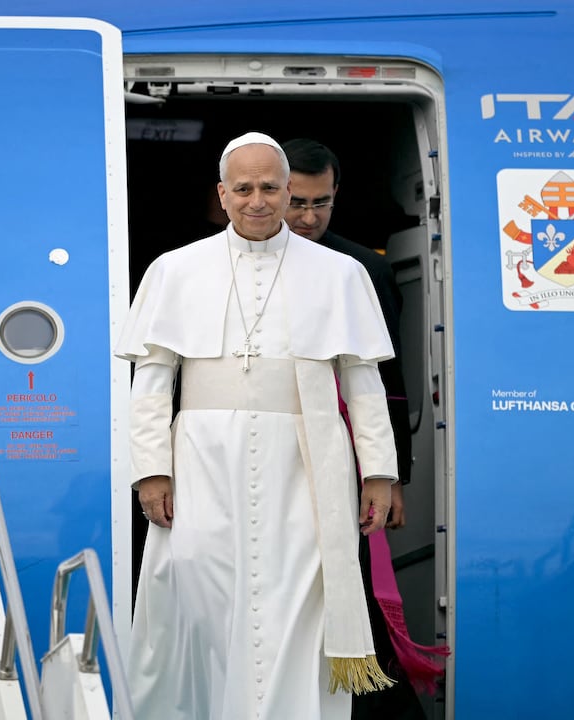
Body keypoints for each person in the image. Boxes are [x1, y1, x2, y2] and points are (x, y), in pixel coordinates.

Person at [115, 132, 399, 720]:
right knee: (201, 599)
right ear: (222, 194)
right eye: (243, 188)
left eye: (271, 187)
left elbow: (363, 384)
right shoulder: (175, 269)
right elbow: (150, 383)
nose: (258, 200)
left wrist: (379, 474)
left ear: (288, 189)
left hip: (304, 468)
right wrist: (150, 471)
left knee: (295, 606)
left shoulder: (341, 272)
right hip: (200, 462)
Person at [283, 138, 445, 720]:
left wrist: (390, 476)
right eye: (296, 202)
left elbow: (389, 380)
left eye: (320, 204)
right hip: (265, 460)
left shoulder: (363, 268)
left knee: (349, 592)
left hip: (345, 461)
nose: (306, 218)